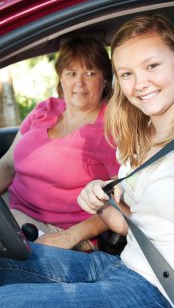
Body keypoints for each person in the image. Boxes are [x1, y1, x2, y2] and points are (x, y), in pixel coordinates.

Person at [0, 14, 174, 308]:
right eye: (127, 74)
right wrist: (102, 200)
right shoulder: (140, 136)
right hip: (121, 270)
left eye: (151, 66)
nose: (140, 83)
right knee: (5, 264)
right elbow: (126, 224)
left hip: (171, 307)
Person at [0, 36, 119, 251]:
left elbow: (123, 203)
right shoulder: (45, 109)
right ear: (61, 78)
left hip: (60, 232)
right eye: (71, 73)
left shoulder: (113, 127)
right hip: (10, 208)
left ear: (105, 79)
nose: (79, 83)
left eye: (90, 73)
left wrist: (70, 237)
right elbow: (7, 165)